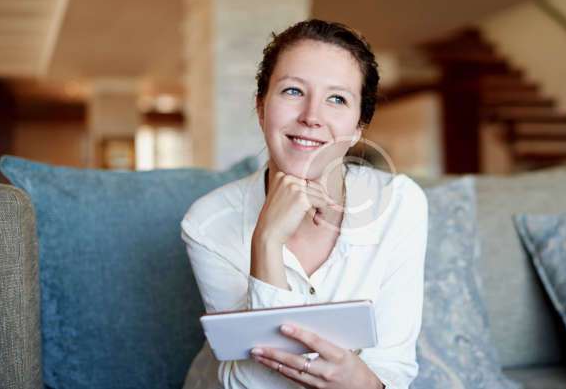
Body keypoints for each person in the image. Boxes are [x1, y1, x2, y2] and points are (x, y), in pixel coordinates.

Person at [181, 19, 428, 389]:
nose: (312, 117)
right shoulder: (207, 223)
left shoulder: (400, 204)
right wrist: (266, 240)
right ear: (261, 107)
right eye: (293, 91)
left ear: (359, 126)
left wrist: (364, 383)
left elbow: (392, 367)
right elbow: (253, 384)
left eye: (337, 99)